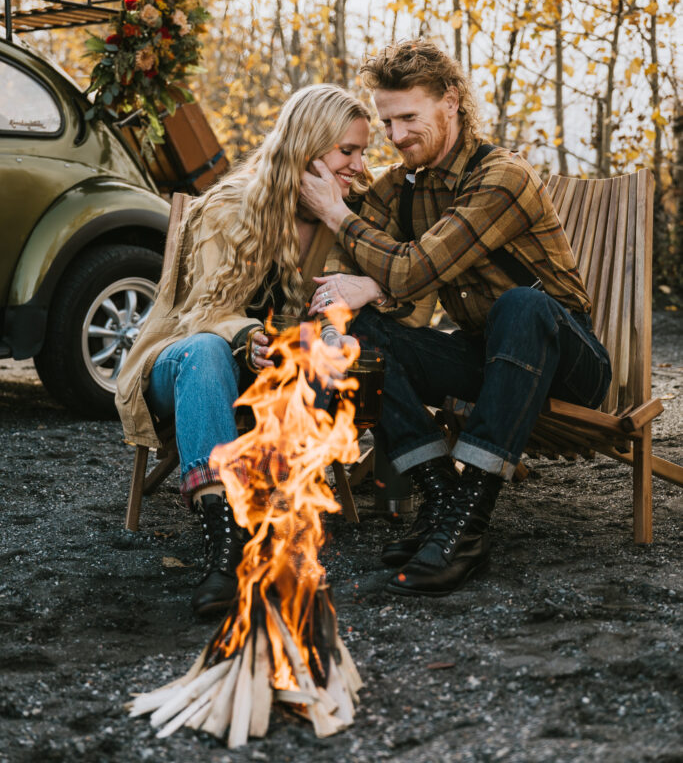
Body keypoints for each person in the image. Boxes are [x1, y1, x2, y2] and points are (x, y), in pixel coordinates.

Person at [300, 38, 612, 597]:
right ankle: (442, 496)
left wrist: (338, 216)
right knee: (361, 330)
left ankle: (466, 523)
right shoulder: (401, 187)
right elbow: (339, 263)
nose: (395, 137)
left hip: (567, 362)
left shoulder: (503, 177)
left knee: (521, 304)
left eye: (407, 118)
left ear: (450, 100)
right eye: (386, 122)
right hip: (489, 361)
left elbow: (416, 267)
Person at [116, 84, 382, 617]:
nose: (358, 165)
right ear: (307, 148)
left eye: (362, 151)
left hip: (274, 377)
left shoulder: (347, 210)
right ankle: (224, 544)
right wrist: (243, 337)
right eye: (346, 151)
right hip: (185, 363)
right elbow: (197, 314)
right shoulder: (236, 205)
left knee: (324, 348)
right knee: (208, 351)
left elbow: (397, 274)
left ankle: (274, 515)